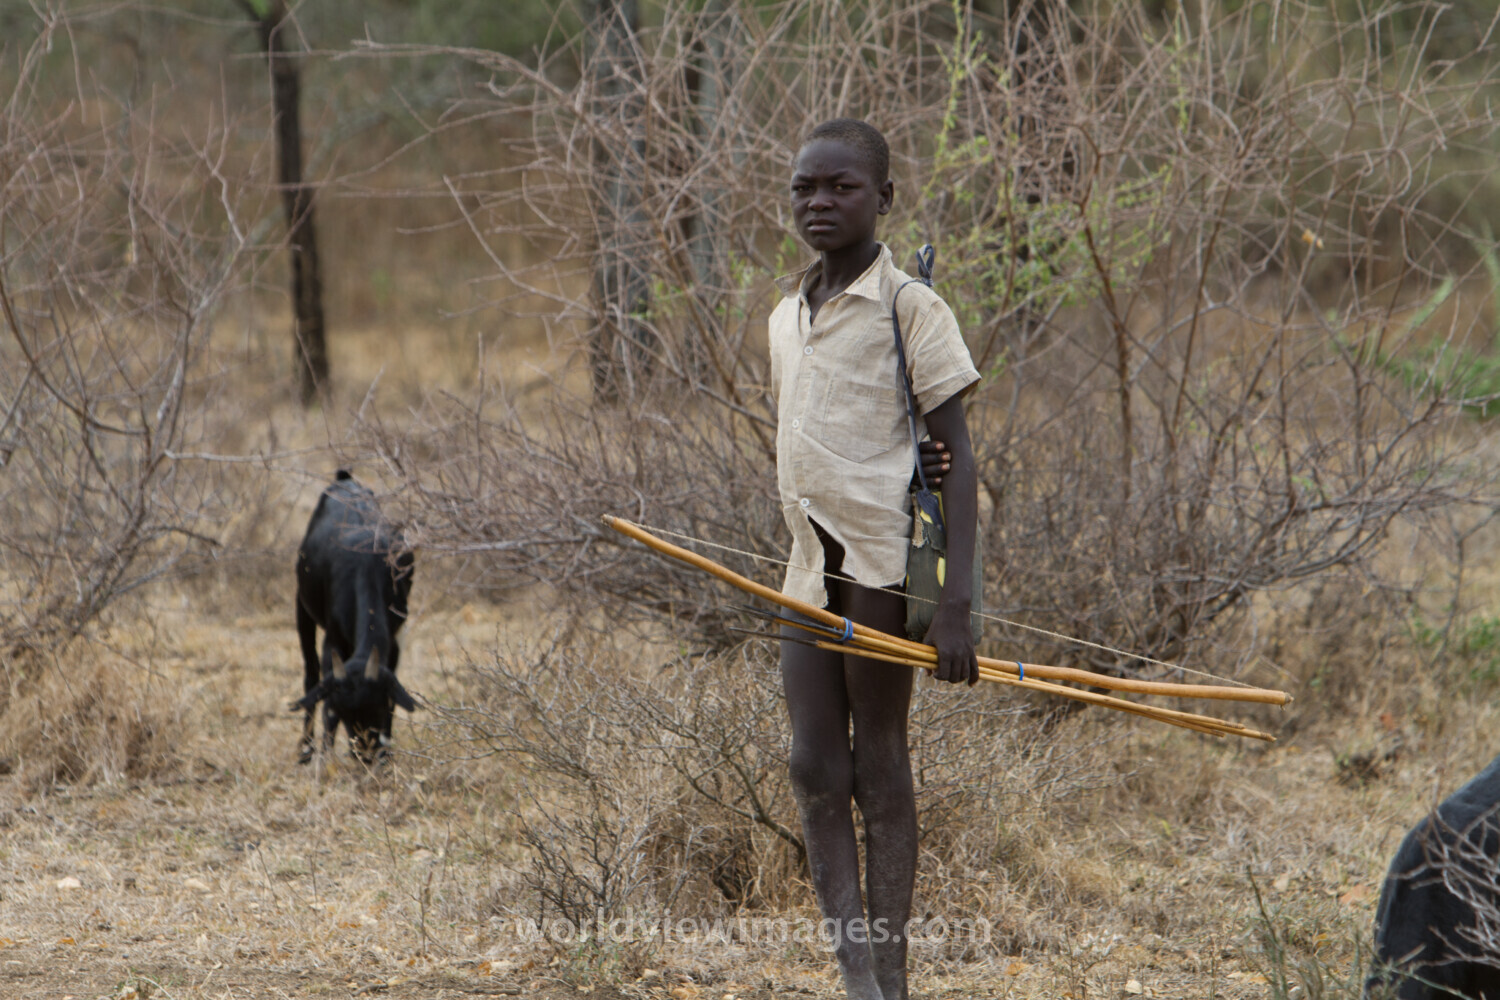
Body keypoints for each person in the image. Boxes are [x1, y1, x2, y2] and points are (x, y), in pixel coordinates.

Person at [769, 117, 981, 1000]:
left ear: (884, 198)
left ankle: (889, 979)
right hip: (804, 570)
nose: (820, 202)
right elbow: (803, 438)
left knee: (879, 762)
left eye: (841, 187)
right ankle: (855, 972)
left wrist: (961, 604)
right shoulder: (786, 315)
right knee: (814, 765)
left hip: (885, 569)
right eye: (805, 188)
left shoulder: (911, 307)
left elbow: (958, 457)